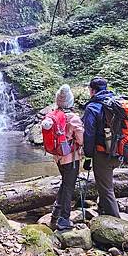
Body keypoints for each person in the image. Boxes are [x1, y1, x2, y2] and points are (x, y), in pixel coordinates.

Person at [42, 84, 84, 230]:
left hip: (58, 156)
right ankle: (64, 219)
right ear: (70, 101)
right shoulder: (73, 118)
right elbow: (81, 139)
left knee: (65, 183)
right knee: (69, 186)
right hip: (71, 158)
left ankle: (55, 212)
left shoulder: (53, 116)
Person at [82, 77, 120, 218]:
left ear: (92, 90)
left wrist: (87, 156)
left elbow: (89, 134)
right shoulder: (115, 103)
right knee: (104, 183)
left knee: (106, 189)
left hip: (103, 152)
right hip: (120, 150)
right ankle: (102, 210)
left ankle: (118, 225)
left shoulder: (92, 107)